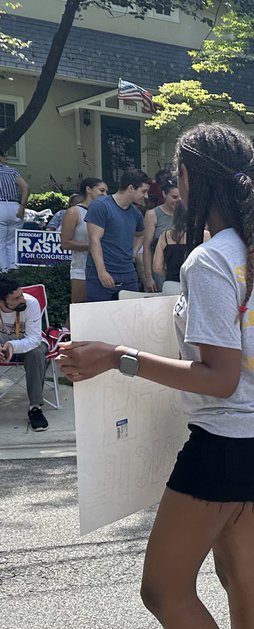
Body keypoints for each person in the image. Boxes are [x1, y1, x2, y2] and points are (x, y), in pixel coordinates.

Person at [57, 122, 254, 629]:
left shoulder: (208, 259)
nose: (172, 185)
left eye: (176, 174)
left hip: (226, 442)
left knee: (162, 587)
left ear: (195, 180)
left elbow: (217, 377)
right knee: (241, 576)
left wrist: (118, 357)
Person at [85, 168, 152, 300]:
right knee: (100, 315)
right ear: (131, 188)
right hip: (102, 272)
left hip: (128, 272)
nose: (146, 196)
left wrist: (133, 252)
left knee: (131, 315)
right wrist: (101, 271)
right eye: (143, 191)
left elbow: (141, 234)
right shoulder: (100, 206)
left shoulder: (135, 213)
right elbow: (94, 240)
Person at [0, 276, 50, 431]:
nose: (23, 299)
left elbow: (35, 339)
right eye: (16, 298)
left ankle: (35, 408)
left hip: (27, 347)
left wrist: (12, 346)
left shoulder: (31, 303)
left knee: (36, 353)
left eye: (21, 294)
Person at [59, 178, 108, 303]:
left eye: (106, 192)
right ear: (88, 189)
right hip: (81, 268)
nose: (105, 195)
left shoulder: (105, 212)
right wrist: (93, 246)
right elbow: (65, 243)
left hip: (105, 267)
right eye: (101, 190)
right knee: (79, 308)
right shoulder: (74, 212)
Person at [152, 201, 201, 294]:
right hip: (194, 283)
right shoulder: (203, 235)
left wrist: (170, 274)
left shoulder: (165, 236)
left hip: (171, 284)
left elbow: (157, 267)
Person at [143, 180, 181, 291]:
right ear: (164, 194)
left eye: (180, 197)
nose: (178, 201)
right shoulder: (153, 214)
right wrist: (149, 277)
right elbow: (147, 248)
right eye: (174, 197)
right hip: (159, 270)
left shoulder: (186, 214)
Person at [0, 147, 30, 271]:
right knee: (12, 242)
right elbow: (26, 187)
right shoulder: (12, 171)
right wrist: (22, 206)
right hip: (15, 207)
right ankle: (13, 269)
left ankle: (3, 270)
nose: (6, 158)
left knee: (0, 243)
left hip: (1, 206)